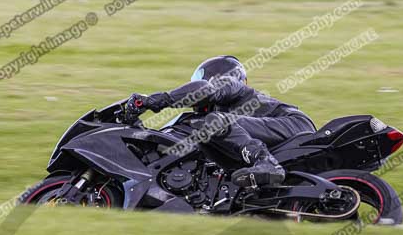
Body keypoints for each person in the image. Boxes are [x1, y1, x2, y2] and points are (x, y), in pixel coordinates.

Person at [126, 56, 316, 188]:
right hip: (275, 132)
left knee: (214, 122)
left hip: (293, 124)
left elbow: (205, 90)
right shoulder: (212, 119)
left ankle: (267, 164)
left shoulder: (232, 86)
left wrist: (154, 100)